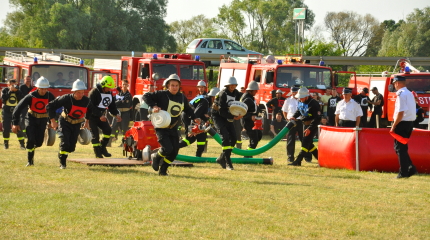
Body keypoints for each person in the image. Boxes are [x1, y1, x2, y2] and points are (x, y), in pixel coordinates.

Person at [144, 74, 200, 175]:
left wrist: (195, 117)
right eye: (172, 85)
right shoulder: (161, 94)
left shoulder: (182, 97)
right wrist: (154, 106)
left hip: (173, 128)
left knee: (174, 152)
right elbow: (146, 96)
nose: (174, 87)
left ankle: (163, 170)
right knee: (167, 149)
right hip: (161, 127)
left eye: (176, 85)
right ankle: (155, 156)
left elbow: (187, 109)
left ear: (179, 86)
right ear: (167, 86)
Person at [47, 80, 92, 169]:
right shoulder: (66, 98)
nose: (81, 95)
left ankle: (63, 152)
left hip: (76, 124)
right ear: (74, 92)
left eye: (82, 92)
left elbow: (90, 110)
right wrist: (52, 121)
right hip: (64, 122)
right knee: (65, 143)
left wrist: (87, 122)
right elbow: (49, 106)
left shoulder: (86, 100)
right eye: (78, 93)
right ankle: (62, 163)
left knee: (71, 147)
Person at [12, 77, 55, 166]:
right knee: (31, 139)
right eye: (42, 89)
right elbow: (17, 108)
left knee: (39, 142)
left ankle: (32, 146)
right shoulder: (30, 96)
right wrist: (15, 123)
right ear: (37, 87)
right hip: (31, 119)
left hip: (43, 120)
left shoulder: (50, 96)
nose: (43, 91)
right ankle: (30, 161)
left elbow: (53, 109)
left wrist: (52, 121)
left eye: (45, 89)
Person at [212, 76, 242, 170]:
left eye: (234, 85)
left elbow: (240, 102)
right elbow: (221, 111)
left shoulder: (237, 93)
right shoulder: (222, 94)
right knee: (225, 137)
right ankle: (228, 162)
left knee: (233, 138)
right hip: (218, 116)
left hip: (228, 116)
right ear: (228, 85)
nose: (233, 86)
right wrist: (233, 117)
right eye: (231, 85)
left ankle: (222, 158)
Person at [88, 75, 122, 158]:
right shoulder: (94, 92)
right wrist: (99, 115)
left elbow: (112, 106)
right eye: (107, 87)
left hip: (101, 116)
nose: (109, 90)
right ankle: (97, 152)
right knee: (95, 135)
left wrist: (116, 114)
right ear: (103, 85)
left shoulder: (109, 93)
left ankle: (103, 148)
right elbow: (90, 106)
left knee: (108, 130)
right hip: (92, 116)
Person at [390, 76, 417, 178]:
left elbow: (400, 112)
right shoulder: (409, 93)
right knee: (402, 148)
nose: (394, 85)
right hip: (409, 123)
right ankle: (410, 168)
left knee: (399, 149)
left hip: (401, 123)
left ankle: (404, 173)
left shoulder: (401, 94)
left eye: (394, 83)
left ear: (397, 83)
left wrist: (393, 125)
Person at [288, 87, 321, 166]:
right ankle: (320, 158)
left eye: (301, 98)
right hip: (304, 124)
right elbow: (299, 110)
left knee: (305, 142)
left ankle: (298, 161)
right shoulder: (300, 101)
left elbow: (317, 118)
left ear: (306, 96)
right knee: (309, 144)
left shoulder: (314, 103)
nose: (300, 99)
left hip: (312, 126)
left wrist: (309, 129)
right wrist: (294, 116)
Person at [179, 81, 209, 157]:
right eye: (200, 87)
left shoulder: (198, 97)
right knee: (197, 136)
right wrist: (193, 127)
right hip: (191, 117)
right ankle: (198, 156)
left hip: (187, 115)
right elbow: (197, 113)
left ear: (205, 88)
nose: (201, 89)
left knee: (193, 137)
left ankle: (175, 147)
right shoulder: (205, 99)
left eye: (202, 87)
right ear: (198, 88)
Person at [2, 79, 25, 149]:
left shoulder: (18, 91)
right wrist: (10, 91)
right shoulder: (5, 90)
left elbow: (22, 99)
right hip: (6, 111)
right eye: (12, 85)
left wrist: (16, 92)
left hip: (16, 112)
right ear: (8, 85)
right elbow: (3, 99)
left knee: (18, 127)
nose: (13, 86)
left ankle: (22, 144)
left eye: (14, 84)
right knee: (6, 128)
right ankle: (6, 144)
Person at [282, 86, 303, 163]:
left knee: (303, 139)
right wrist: (287, 119)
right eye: (293, 92)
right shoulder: (288, 100)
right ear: (291, 92)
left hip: (300, 121)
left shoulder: (301, 99)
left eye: (295, 92)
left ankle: (307, 156)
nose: (294, 93)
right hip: (291, 121)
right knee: (290, 139)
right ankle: (290, 157)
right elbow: (284, 111)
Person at [240, 81, 262, 157]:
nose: (256, 92)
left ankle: (249, 152)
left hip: (253, 121)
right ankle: (247, 155)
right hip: (247, 121)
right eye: (255, 90)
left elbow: (254, 108)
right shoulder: (246, 99)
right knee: (254, 139)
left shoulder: (251, 98)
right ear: (250, 90)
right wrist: (250, 116)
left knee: (259, 135)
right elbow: (242, 111)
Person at [110, 80, 132, 144]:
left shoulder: (129, 95)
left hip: (125, 113)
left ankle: (124, 143)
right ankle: (109, 141)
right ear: (121, 85)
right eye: (123, 84)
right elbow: (114, 103)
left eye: (126, 84)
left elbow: (127, 104)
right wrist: (121, 101)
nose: (124, 86)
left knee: (124, 128)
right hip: (117, 113)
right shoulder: (118, 94)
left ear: (128, 85)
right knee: (114, 126)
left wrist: (119, 101)